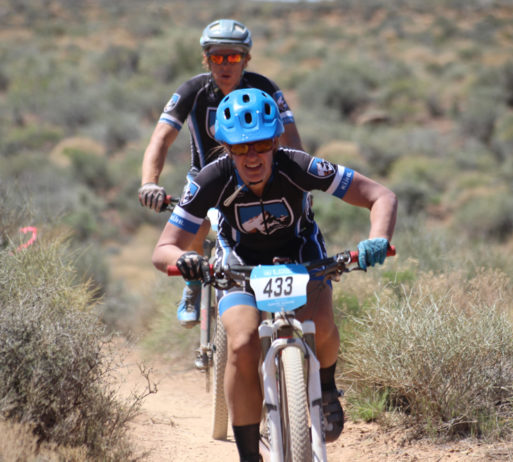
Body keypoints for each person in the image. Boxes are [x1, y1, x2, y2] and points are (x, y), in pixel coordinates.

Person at [151, 89, 397, 462]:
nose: (252, 157)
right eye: (240, 148)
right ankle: (250, 455)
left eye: (262, 145)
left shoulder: (299, 166)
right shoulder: (211, 178)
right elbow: (164, 248)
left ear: (276, 142)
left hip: (300, 253)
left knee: (321, 323)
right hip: (239, 263)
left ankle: (326, 388)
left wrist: (377, 239)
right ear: (226, 148)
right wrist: (186, 259)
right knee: (242, 343)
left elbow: (380, 196)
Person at [139, 19, 303, 328]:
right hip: (205, 180)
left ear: (246, 59)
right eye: (217, 57)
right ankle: (193, 282)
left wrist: (298, 178)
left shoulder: (264, 88)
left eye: (233, 56)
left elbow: (291, 137)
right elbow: (160, 139)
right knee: (197, 225)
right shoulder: (192, 90)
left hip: (255, 177)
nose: (225, 64)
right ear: (206, 59)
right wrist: (150, 183)